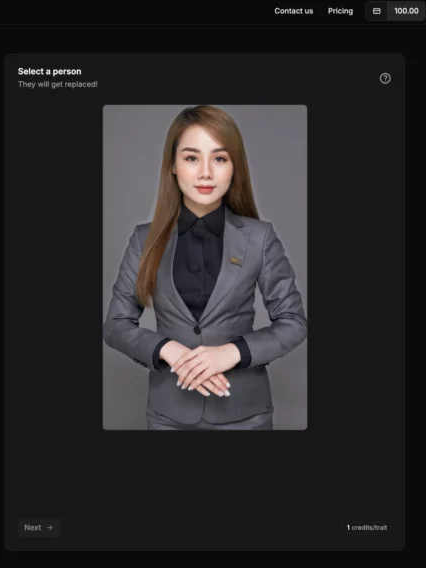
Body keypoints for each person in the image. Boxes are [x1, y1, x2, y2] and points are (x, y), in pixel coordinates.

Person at [103, 105, 307, 431]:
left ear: (234, 166)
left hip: (245, 415)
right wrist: (167, 349)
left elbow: (293, 322)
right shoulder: (144, 239)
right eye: (191, 158)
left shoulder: (260, 238)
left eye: (220, 158)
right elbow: (115, 325)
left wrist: (232, 352)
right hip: (168, 415)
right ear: (173, 165)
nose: (206, 173)